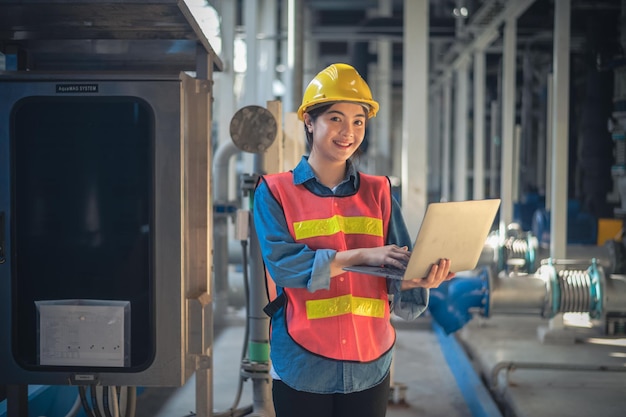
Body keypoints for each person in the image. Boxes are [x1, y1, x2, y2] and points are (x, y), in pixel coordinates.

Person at [253, 63, 454, 417]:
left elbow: (398, 272)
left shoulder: (380, 191)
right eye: (335, 118)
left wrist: (419, 278)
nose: (348, 131)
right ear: (309, 122)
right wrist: (361, 254)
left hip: (369, 364)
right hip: (303, 362)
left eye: (358, 121)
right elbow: (285, 267)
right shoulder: (275, 191)